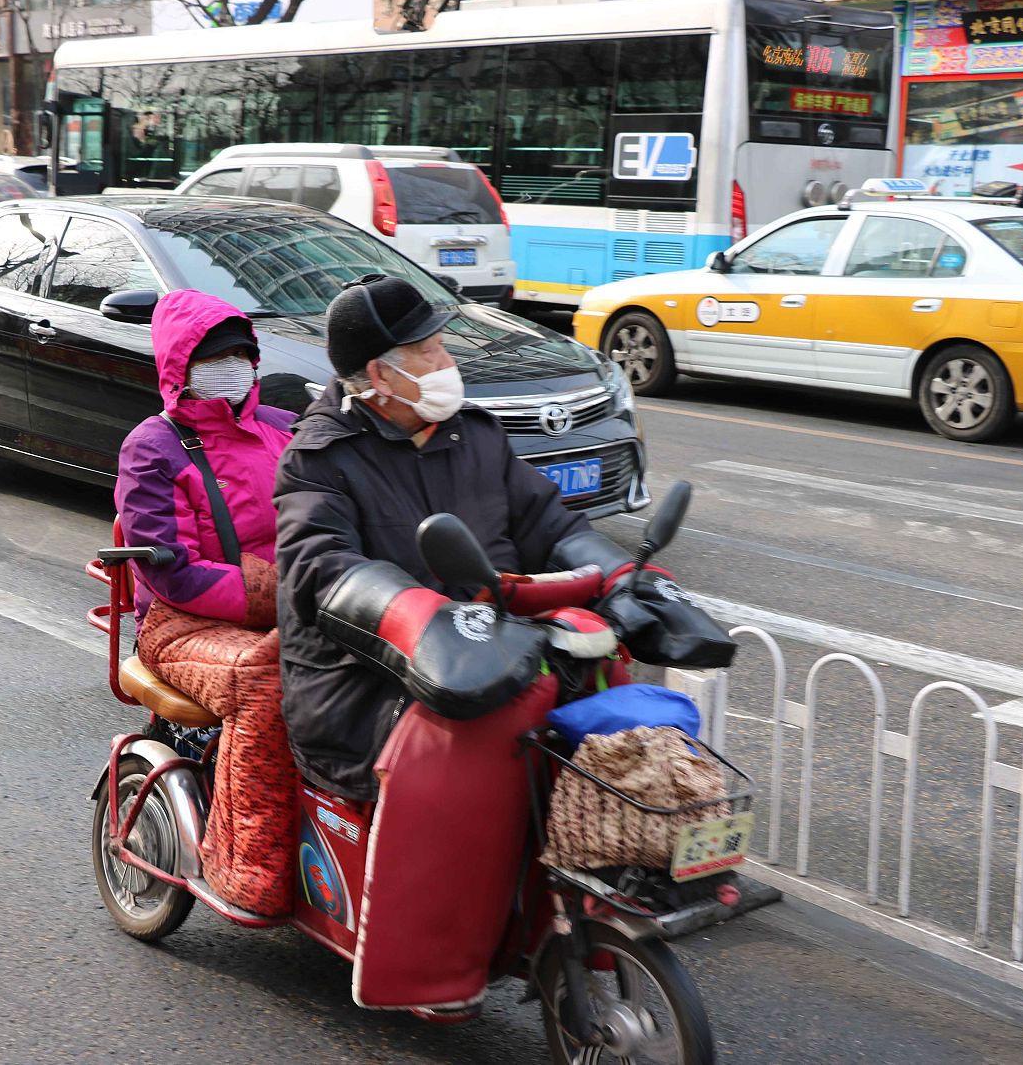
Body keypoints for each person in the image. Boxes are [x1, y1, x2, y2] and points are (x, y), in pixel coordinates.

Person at [273, 275, 662, 802]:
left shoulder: (473, 433)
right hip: (369, 688)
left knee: (619, 734)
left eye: (443, 347)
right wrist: (425, 621)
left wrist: (620, 579)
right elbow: (323, 571)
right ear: (380, 376)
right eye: (428, 352)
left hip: (505, 656)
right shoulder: (317, 460)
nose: (446, 363)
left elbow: (548, 522)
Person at [114, 288, 298, 916]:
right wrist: (274, 598)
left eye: (241, 358)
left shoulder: (283, 428)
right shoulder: (153, 447)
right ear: (179, 368)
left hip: (303, 606)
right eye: (213, 361)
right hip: (182, 625)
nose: (231, 371)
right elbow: (175, 574)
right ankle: (244, 865)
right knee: (267, 677)